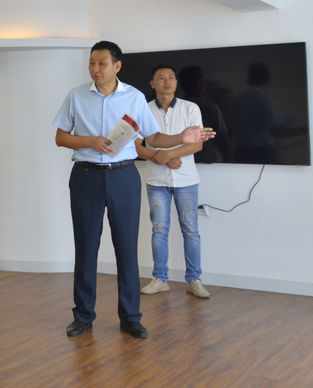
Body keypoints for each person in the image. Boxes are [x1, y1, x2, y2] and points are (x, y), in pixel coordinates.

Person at [54, 42, 214, 340]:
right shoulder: (76, 95)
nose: (95, 69)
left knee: (126, 249)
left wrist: (182, 136)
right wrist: (90, 141)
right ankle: (83, 316)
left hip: (124, 177)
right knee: (86, 248)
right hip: (86, 177)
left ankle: (130, 318)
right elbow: (61, 137)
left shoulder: (135, 97)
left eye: (101, 63)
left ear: (117, 66)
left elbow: (154, 138)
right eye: (91, 63)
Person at [135, 64, 210, 299]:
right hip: (156, 180)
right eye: (161, 78)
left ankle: (194, 280)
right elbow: (137, 146)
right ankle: (160, 279)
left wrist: (168, 155)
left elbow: (197, 144)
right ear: (152, 84)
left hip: (186, 179)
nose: (167, 81)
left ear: (176, 83)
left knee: (191, 230)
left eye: (171, 78)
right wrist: (161, 158)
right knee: (159, 230)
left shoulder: (191, 108)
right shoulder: (144, 110)